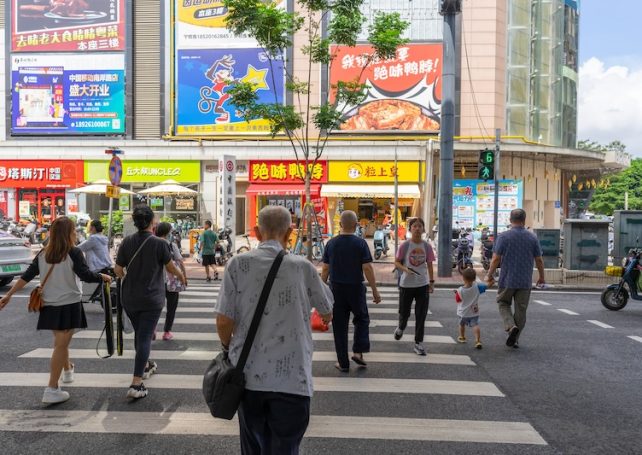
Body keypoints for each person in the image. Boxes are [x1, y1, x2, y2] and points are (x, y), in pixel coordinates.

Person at [215, 206, 333, 454]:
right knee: (286, 448)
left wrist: (227, 347)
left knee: (253, 448)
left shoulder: (237, 264)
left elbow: (224, 320)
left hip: (248, 379)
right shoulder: (302, 268)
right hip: (293, 381)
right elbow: (326, 310)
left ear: (256, 232)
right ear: (290, 233)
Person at [0, 217, 111, 404]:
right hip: (68, 304)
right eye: (74, 230)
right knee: (61, 345)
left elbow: (26, 277)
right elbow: (85, 275)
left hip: (49, 304)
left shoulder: (44, 253)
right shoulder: (73, 253)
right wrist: (103, 276)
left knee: (61, 342)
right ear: (68, 233)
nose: (76, 233)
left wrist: (9, 294)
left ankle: (67, 371)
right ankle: (52, 388)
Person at [115, 205, 187, 399]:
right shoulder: (159, 243)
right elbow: (171, 267)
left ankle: (146, 365)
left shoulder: (126, 242)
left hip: (129, 297)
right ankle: (136, 383)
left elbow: (118, 270)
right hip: (151, 298)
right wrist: (181, 276)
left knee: (141, 334)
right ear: (151, 223)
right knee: (145, 337)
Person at [321, 210, 381, 372]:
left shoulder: (331, 244)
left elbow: (325, 269)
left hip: (336, 290)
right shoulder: (361, 244)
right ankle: (358, 352)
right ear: (356, 225)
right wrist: (375, 290)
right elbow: (367, 267)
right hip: (356, 288)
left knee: (339, 326)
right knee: (361, 319)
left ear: (340, 225)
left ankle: (343, 363)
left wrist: (321, 293)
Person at [486, 208, 545, 348]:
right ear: (524, 220)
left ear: (510, 220)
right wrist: (542, 277)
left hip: (507, 279)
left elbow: (495, 259)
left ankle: (510, 326)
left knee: (503, 303)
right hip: (525, 281)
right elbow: (539, 259)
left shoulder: (504, 237)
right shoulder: (532, 237)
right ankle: (515, 339)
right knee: (521, 310)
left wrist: (489, 275)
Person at [393, 217, 435, 356]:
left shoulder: (427, 246)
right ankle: (401, 327)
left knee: (421, 315)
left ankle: (418, 343)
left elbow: (429, 264)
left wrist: (431, 282)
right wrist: (405, 269)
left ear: (423, 229)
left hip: (422, 284)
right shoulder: (405, 246)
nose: (417, 228)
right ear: (410, 229)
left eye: (420, 226)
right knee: (404, 313)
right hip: (406, 285)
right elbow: (397, 262)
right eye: (414, 226)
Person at [155, 222, 187, 341]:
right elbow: (180, 261)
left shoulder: (151, 244)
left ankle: (153, 329)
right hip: (172, 281)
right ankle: (167, 332)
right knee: (171, 307)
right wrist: (184, 276)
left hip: (156, 280)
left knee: (155, 306)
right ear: (168, 232)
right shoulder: (171, 245)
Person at [454, 268, 486, 349]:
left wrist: (456, 293)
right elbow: (485, 286)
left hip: (463, 313)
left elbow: (458, 300)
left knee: (461, 325)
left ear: (463, 278)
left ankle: (462, 337)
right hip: (474, 312)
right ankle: (478, 340)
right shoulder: (477, 287)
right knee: (475, 325)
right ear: (474, 278)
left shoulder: (460, 290)